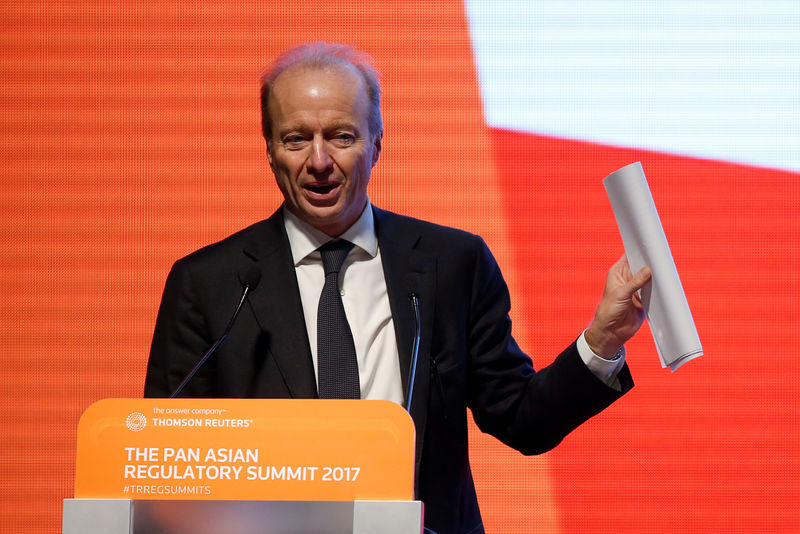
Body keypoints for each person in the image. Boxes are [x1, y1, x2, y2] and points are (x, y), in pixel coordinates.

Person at [144, 42, 651, 534]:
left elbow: (521, 418)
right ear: (270, 149)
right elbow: (169, 461)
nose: (319, 161)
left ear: (377, 142)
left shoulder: (452, 264)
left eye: (341, 136)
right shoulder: (210, 283)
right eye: (296, 139)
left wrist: (602, 342)